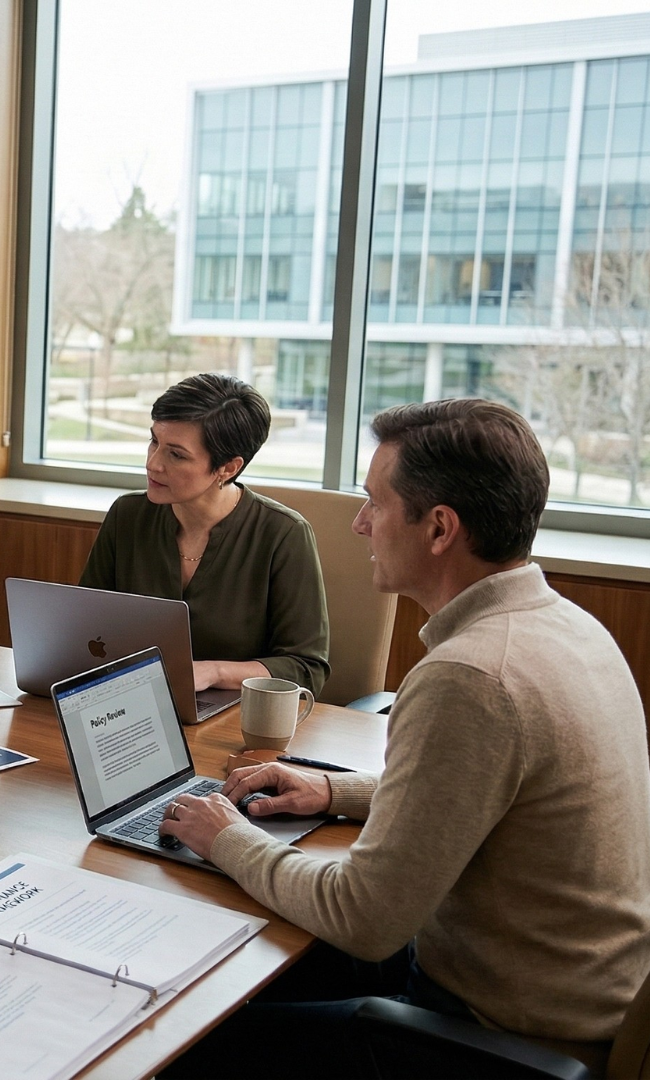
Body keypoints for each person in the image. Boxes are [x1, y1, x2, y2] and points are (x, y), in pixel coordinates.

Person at [159, 398, 650, 1078]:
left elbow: (363, 918)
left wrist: (226, 838)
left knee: (185, 1037)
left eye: (375, 503)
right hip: (568, 997)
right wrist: (332, 789)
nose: (359, 523)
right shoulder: (569, 627)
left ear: (440, 528)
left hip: (500, 1038)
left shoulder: (471, 677)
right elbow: (490, 793)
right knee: (247, 968)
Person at [79, 373, 329, 695]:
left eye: (176, 454)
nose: (153, 464)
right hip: (132, 699)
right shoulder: (127, 515)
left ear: (228, 468)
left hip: (238, 712)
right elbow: (84, 628)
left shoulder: (284, 535)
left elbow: (306, 668)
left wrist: (213, 672)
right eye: (154, 441)